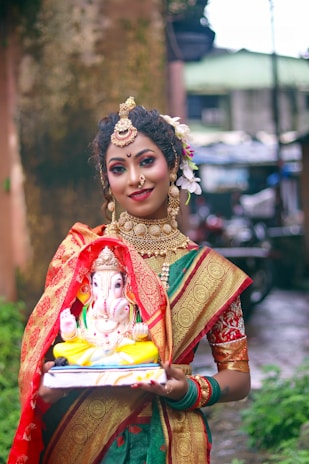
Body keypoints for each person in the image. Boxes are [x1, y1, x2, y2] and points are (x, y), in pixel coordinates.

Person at [8, 97, 252, 464]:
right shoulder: (84, 254)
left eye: (147, 161)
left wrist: (188, 389)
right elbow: (61, 349)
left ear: (172, 165)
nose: (135, 178)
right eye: (118, 168)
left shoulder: (210, 272)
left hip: (168, 439)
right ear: (107, 180)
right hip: (78, 436)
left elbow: (238, 377)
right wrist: (45, 385)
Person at [53, 244, 159, 366]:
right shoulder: (87, 311)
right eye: (97, 284)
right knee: (60, 349)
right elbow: (81, 338)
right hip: (95, 350)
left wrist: (139, 335)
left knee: (151, 350)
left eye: (117, 285)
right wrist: (70, 333)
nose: (106, 294)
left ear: (125, 286)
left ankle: (99, 362)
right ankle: (113, 361)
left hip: (120, 349)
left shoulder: (130, 311)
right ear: (90, 286)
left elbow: (135, 338)